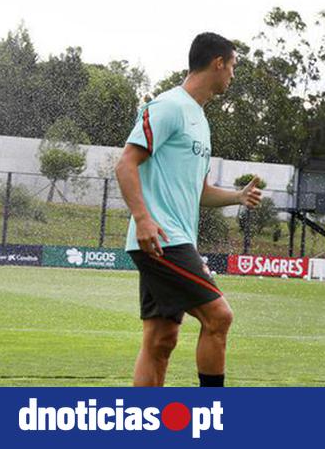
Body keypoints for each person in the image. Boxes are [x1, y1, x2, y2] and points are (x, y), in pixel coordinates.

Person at [114, 32, 263, 387]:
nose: (233, 75)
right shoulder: (169, 106)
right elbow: (125, 164)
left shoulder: (199, 119)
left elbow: (198, 192)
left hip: (173, 239)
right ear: (218, 63)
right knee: (219, 316)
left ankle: (142, 425)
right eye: (233, 67)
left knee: (161, 339)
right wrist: (143, 218)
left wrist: (237, 197)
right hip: (162, 238)